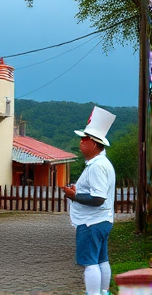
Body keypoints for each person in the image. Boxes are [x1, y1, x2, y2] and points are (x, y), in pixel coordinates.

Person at [62, 106, 116, 295]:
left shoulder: (97, 167)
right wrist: (78, 192)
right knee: (102, 260)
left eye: (84, 139)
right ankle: (103, 291)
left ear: (93, 143)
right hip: (102, 220)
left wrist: (73, 195)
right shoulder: (101, 164)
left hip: (91, 222)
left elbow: (98, 198)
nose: (80, 142)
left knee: (89, 263)